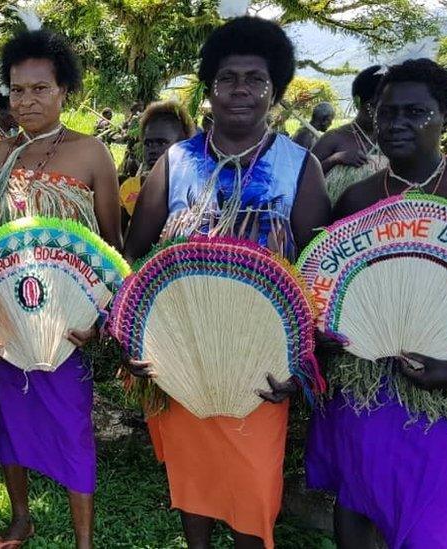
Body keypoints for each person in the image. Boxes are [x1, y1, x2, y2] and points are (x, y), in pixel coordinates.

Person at [123, 17, 330, 549]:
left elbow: (319, 274)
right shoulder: (175, 162)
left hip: (260, 361)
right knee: (193, 482)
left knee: (253, 486)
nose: (241, 90)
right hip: (183, 353)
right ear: (209, 88)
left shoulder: (297, 167)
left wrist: (303, 362)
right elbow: (135, 255)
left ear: (275, 91)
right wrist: (136, 338)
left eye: (255, 79)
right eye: (227, 78)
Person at [306, 58, 447, 549]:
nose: (396, 124)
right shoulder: (356, 200)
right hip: (364, 383)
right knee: (355, 494)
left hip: (443, 385)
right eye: (386, 112)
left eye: (415, 112)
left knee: (425, 509)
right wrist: (333, 340)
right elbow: (329, 292)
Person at [0, 29, 121, 549]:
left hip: (64, 327)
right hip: (3, 323)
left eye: (39, 88)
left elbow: (110, 249)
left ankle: (83, 539)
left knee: (72, 426)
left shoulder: (91, 154)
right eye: (16, 89)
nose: (26, 100)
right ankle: (20, 518)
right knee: (6, 423)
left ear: (63, 92)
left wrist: (97, 318)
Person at [311, 66, 387, 202]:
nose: (383, 111)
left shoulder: (393, 139)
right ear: (358, 102)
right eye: (375, 105)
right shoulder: (334, 138)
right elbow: (303, 180)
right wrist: (335, 159)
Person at [119, 100, 196, 222]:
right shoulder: (130, 189)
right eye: (148, 143)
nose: (153, 150)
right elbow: (119, 238)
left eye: (161, 143)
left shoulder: (198, 190)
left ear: (184, 145)